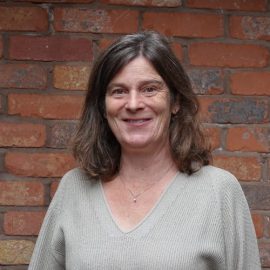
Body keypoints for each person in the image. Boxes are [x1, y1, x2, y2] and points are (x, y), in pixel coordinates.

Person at [28, 31, 261, 270]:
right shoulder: (74, 188)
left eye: (150, 89)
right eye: (118, 91)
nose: (133, 104)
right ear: (102, 106)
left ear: (176, 101)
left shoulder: (218, 192)